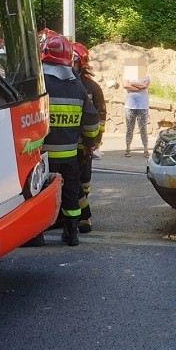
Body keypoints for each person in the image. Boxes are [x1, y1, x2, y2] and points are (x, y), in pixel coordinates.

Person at [28, 32, 99, 246]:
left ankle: (36, 235)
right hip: (69, 156)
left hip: (42, 155)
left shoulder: (37, 85)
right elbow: (92, 121)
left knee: (38, 193)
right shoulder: (77, 86)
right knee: (70, 194)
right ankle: (72, 234)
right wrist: (89, 141)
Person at [72, 42, 106, 234]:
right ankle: (79, 215)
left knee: (84, 181)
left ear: (81, 63)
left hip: (84, 145)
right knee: (70, 180)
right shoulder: (64, 86)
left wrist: (95, 139)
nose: (69, 66)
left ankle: (81, 214)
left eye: (73, 61)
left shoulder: (92, 87)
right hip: (66, 142)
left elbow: (101, 115)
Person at [122, 57, 151, 158]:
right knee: (130, 128)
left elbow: (145, 86)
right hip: (130, 106)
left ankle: (146, 149)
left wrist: (133, 84)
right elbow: (125, 85)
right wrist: (139, 86)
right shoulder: (128, 75)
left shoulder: (146, 76)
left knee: (143, 128)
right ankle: (128, 148)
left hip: (143, 106)